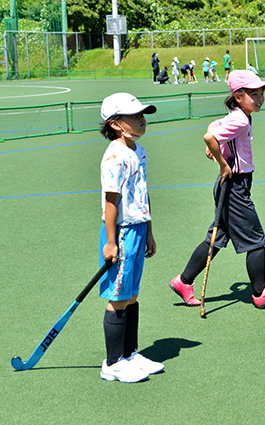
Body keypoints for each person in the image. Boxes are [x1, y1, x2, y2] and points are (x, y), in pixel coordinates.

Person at [169, 70, 265, 309]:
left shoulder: (238, 114)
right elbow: (209, 136)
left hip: (234, 185)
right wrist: (222, 162)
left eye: (261, 94)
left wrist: (216, 148)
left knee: (217, 237)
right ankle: (260, 291)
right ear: (238, 96)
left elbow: (214, 126)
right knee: (255, 238)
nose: (259, 98)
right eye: (253, 94)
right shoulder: (240, 119)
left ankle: (183, 281)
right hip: (234, 185)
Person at [98, 93, 164, 383]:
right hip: (121, 232)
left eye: (142, 113)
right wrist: (111, 242)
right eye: (134, 115)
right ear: (116, 124)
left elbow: (143, 193)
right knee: (118, 297)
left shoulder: (140, 150)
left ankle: (130, 354)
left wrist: (149, 230)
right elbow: (111, 202)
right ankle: (112, 363)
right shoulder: (115, 155)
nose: (142, 118)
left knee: (132, 294)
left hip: (138, 229)